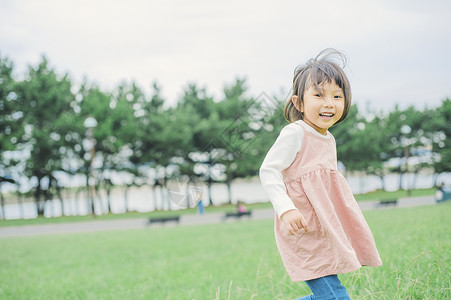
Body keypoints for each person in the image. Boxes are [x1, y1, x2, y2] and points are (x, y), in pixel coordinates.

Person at [259, 48, 382, 299]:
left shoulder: (328, 138)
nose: (329, 103)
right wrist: (286, 208)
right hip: (303, 228)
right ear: (299, 103)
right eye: (319, 95)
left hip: (325, 226)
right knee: (335, 296)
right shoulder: (296, 133)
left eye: (337, 96)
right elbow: (269, 170)